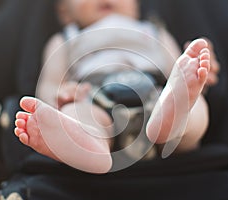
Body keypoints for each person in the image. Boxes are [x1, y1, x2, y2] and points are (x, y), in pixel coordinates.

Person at [14, 0, 217, 174]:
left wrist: (195, 70)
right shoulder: (65, 40)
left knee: (194, 104)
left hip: (157, 94)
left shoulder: (155, 32)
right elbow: (49, 83)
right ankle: (88, 144)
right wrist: (60, 95)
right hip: (92, 97)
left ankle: (173, 120)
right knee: (75, 113)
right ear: (64, 11)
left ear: (136, 5)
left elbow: (176, 71)